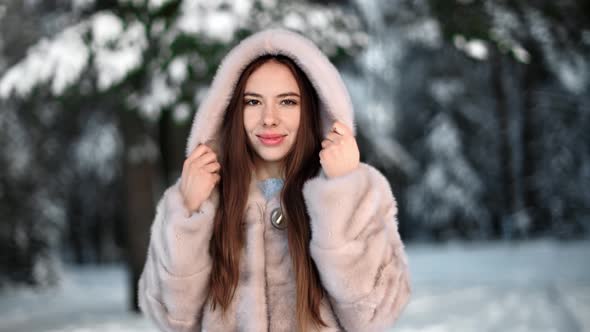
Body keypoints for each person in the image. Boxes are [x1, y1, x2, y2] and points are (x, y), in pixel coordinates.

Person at [138, 28, 411, 332]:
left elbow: (373, 316)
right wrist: (189, 212)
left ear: (311, 109)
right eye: (253, 102)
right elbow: (171, 319)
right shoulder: (201, 198)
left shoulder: (355, 191)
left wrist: (343, 192)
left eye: (287, 102)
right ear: (231, 111)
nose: (269, 118)